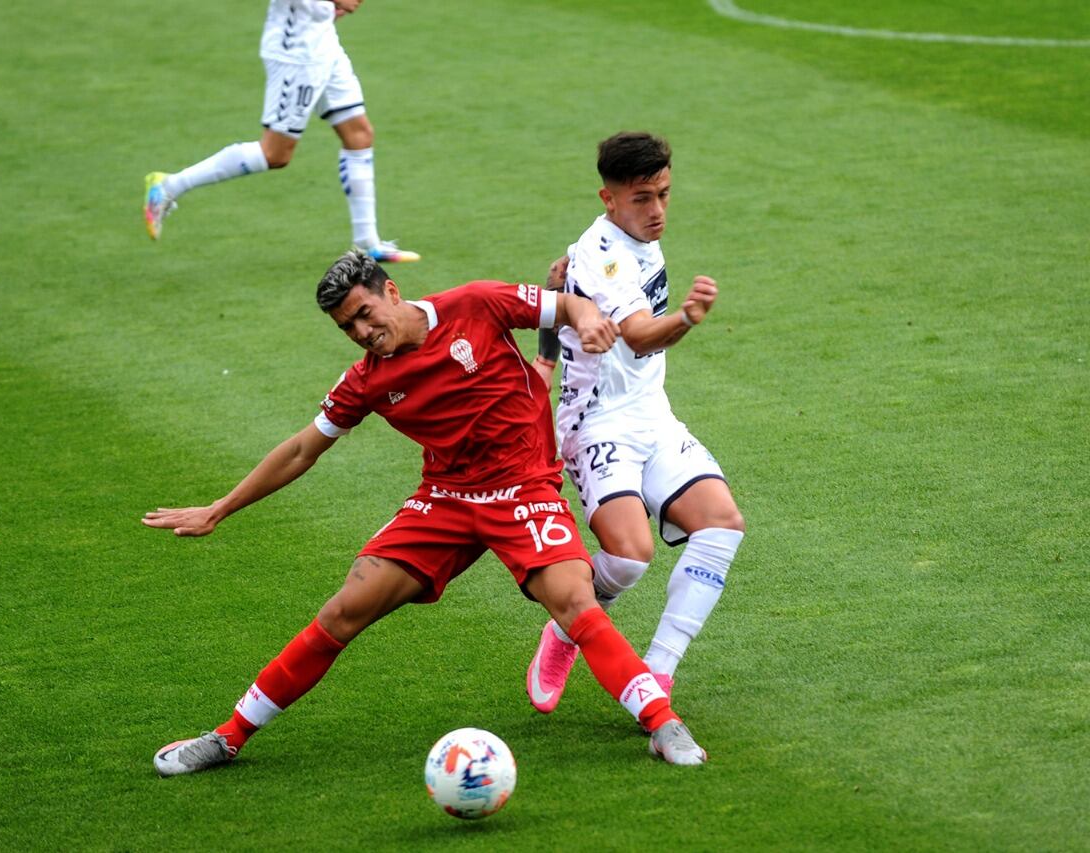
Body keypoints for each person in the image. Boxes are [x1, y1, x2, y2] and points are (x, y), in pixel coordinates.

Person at [143, 249, 707, 777]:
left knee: (575, 603)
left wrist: (583, 321)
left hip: (523, 491)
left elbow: (568, 304)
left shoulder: (475, 303)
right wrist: (220, 509)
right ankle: (229, 736)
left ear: (390, 291)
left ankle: (662, 723)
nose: (362, 332)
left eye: (364, 314)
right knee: (344, 610)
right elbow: (301, 449)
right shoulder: (365, 380)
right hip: (445, 499)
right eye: (347, 327)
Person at [526, 132, 746, 758]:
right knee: (629, 557)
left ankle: (657, 671)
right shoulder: (605, 252)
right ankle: (566, 626)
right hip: (596, 424)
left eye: (665, 195)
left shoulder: (637, 238)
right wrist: (688, 318)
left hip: (652, 416)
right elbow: (643, 337)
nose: (658, 211)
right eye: (643, 198)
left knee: (723, 524)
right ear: (609, 198)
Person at [142, 0, 419, 263]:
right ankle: (168, 187)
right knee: (275, 153)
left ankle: (368, 243)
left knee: (359, 134)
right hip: (295, 54)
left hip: (323, 42)